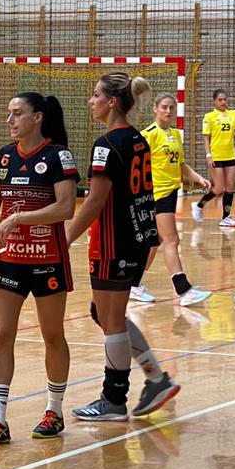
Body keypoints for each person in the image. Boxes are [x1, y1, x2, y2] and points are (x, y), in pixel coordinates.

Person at [64, 73, 178, 420]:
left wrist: (64, 239)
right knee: (104, 313)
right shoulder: (138, 139)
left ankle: (114, 399)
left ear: (112, 101)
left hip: (114, 241)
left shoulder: (107, 144)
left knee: (111, 319)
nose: (91, 101)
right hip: (138, 236)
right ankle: (155, 378)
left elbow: (95, 201)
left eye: (95, 95)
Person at [0, 92, 77, 445]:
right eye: (9, 114)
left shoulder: (58, 156)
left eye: (17, 113)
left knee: (52, 335)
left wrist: (20, 218)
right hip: (9, 260)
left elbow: (66, 208)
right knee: (0, 334)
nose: (10, 120)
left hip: (47, 259)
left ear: (37, 117)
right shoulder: (5, 156)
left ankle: (54, 411)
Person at [133, 94, 213, 306]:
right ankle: (183, 290)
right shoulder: (148, 135)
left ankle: (134, 284)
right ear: (155, 109)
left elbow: (181, 164)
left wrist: (198, 179)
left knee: (155, 241)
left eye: (171, 108)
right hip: (156, 194)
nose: (168, 111)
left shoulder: (176, 134)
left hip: (171, 192)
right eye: (164, 107)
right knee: (172, 240)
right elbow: (135, 167)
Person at [196, 89, 235, 227]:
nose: (223, 102)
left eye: (225, 99)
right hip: (216, 156)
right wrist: (208, 155)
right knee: (219, 188)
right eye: (220, 99)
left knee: (230, 187)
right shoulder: (209, 117)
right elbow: (206, 138)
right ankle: (199, 206)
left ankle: (226, 217)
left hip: (230, 156)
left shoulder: (233, 114)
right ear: (214, 101)